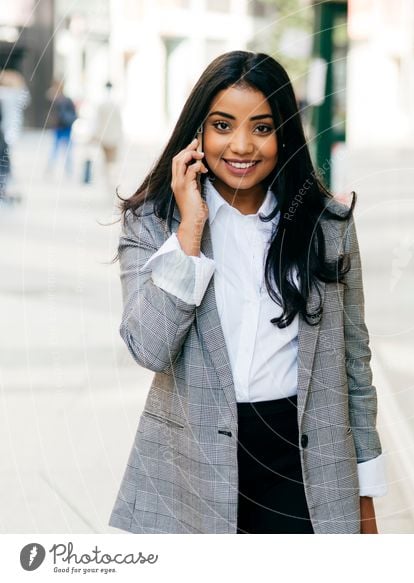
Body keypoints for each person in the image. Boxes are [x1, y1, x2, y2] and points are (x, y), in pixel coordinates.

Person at [108, 51, 387, 534]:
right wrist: (190, 233)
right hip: (190, 467)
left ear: (284, 134)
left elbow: (353, 365)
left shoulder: (327, 226)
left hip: (306, 466)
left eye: (261, 127)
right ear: (197, 134)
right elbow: (149, 348)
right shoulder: (152, 225)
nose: (241, 145)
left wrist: (365, 494)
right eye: (222, 125)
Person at [91, 81, 124, 190]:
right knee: (112, 161)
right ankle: (112, 180)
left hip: (104, 136)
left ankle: (108, 180)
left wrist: (95, 135)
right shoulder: (116, 105)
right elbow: (119, 122)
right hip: (113, 136)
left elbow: (98, 122)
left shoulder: (102, 104)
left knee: (106, 161)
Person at [47, 82, 77, 176]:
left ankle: (57, 169)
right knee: (64, 149)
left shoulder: (60, 100)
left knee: (59, 149)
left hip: (62, 127)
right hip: (64, 127)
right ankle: (67, 170)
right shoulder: (62, 100)